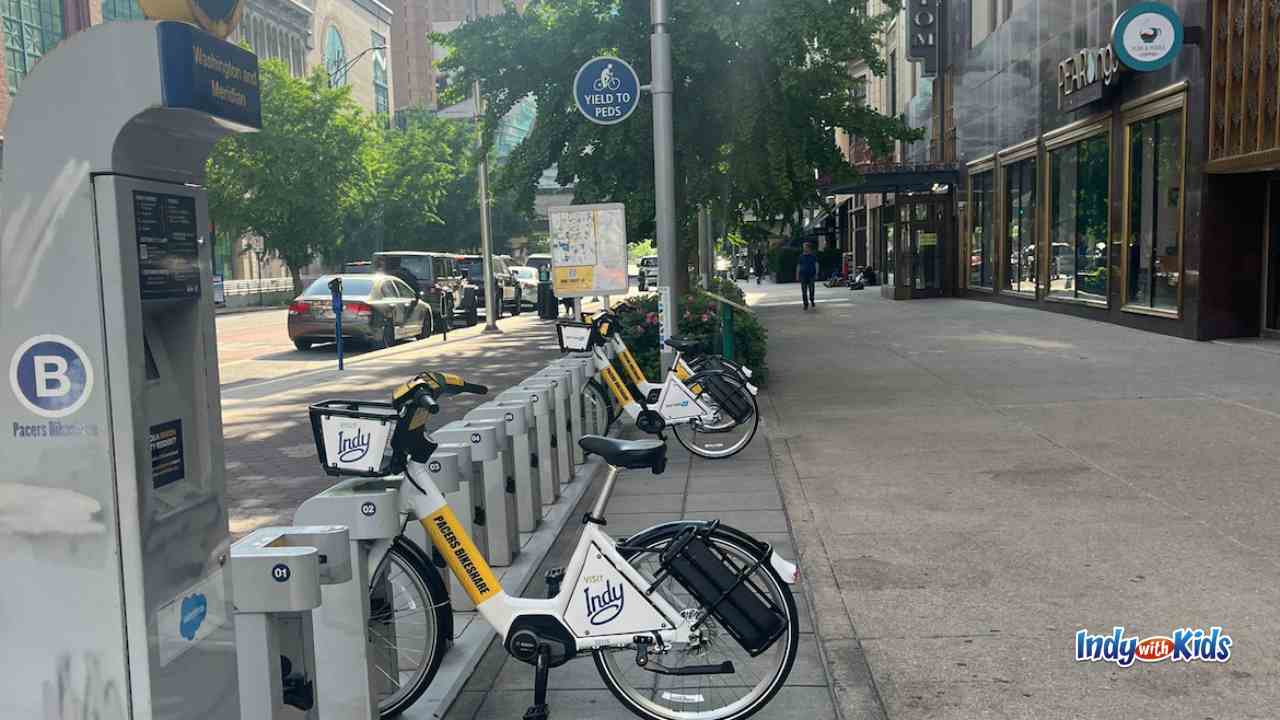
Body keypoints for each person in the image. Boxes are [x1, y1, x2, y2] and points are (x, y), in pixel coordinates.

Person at [796, 242, 818, 309]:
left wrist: (816, 273)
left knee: (811, 289)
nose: (804, 248)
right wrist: (797, 275)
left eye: (805, 247)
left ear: (809, 248)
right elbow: (798, 266)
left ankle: (812, 300)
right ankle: (805, 304)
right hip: (803, 275)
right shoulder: (801, 256)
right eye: (803, 247)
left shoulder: (813, 256)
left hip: (811, 275)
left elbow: (816, 264)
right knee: (804, 290)